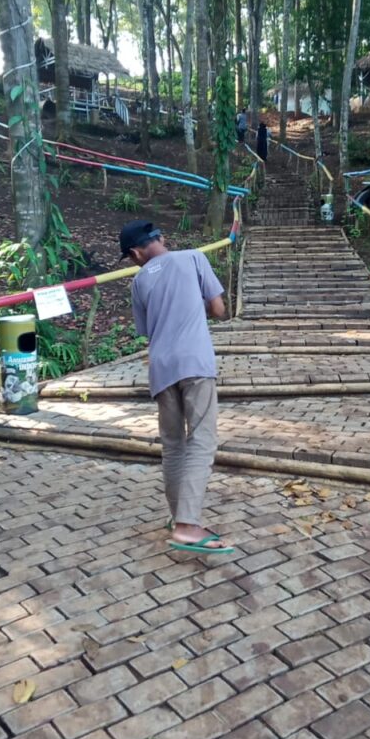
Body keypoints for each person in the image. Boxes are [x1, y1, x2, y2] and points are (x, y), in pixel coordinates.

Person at [119, 219, 233, 554]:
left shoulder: (139, 281)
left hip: (161, 368)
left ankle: (177, 518)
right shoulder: (193, 258)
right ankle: (187, 526)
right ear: (161, 239)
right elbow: (219, 309)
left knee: (173, 446)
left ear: (135, 253)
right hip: (194, 362)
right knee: (202, 439)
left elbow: (146, 330)